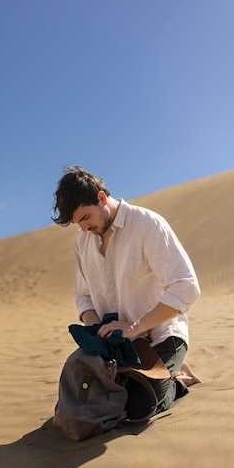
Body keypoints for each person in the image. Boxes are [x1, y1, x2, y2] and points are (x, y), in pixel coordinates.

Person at [51, 165, 202, 418]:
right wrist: (97, 331)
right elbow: (83, 297)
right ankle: (158, 374)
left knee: (136, 410)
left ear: (101, 198)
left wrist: (134, 328)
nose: (83, 229)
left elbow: (186, 287)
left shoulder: (147, 224)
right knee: (87, 406)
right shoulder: (82, 241)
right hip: (116, 346)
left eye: (86, 218)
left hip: (161, 336)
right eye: (77, 223)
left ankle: (178, 375)